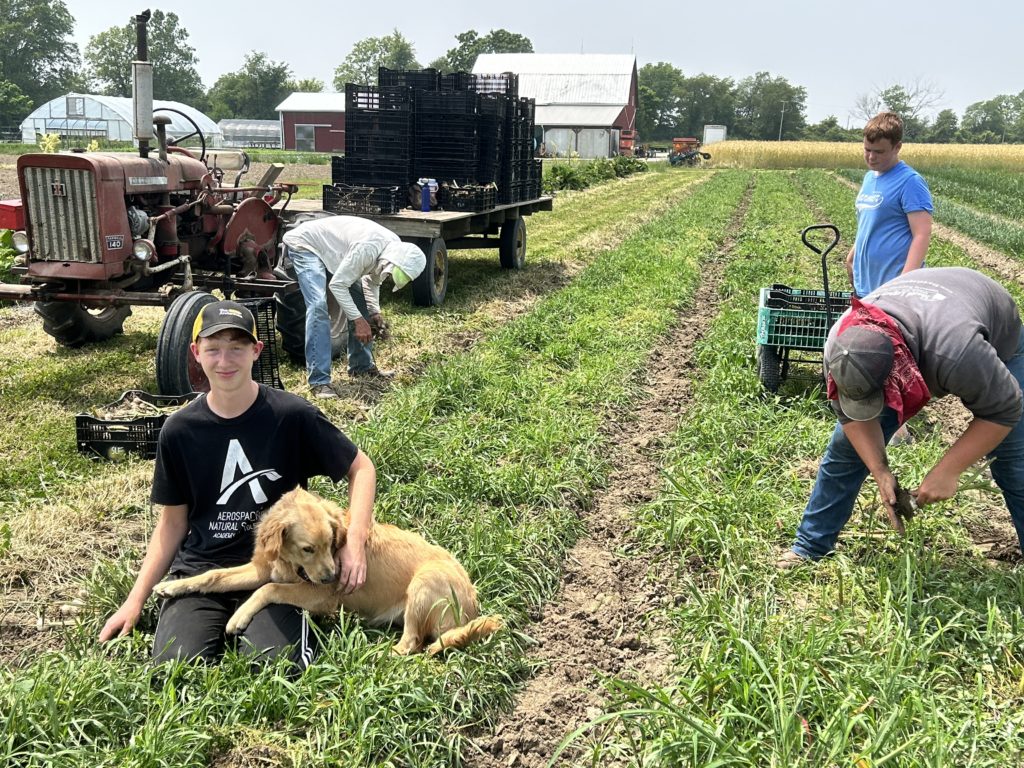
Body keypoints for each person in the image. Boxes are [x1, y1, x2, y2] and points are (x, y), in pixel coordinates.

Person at [99, 300, 377, 670]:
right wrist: (135, 599)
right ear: (196, 353)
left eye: (237, 347)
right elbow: (171, 525)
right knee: (174, 669)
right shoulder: (179, 430)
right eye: (213, 349)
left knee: (275, 666)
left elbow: (362, 468)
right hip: (202, 567)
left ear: (256, 351)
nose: (225, 360)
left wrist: (354, 542)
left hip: (279, 570)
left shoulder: (292, 415)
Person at [779, 267, 1024, 569]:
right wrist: (879, 469)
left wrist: (948, 470)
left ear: (900, 375)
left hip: (989, 322)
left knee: (1014, 461)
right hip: (927, 316)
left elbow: (1005, 410)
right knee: (846, 448)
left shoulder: (956, 352)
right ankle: (810, 547)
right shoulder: (840, 344)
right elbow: (851, 422)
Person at [847, 111, 933, 445]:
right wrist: (854, 251)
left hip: (894, 284)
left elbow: (922, 234)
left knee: (889, 351)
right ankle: (886, 417)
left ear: (897, 147)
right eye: (867, 150)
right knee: (873, 346)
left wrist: (906, 280)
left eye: (879, 152)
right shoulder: (871, 178)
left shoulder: (909, 181)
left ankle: (897, 426)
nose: (871, 157)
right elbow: (869, 222)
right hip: (868, 280)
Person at [281, 215, 426, 399]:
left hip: (333, 251)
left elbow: (372, 281)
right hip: (306, 245)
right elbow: (337, 285)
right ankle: (319, 382)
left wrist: (374, 312)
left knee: (363, 306)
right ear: (392, 262)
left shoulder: (393, 249)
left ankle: (361, 367)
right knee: (318, 306)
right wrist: (358, 321)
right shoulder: (369, 248)